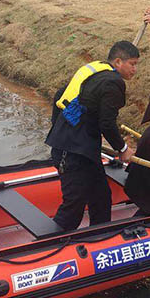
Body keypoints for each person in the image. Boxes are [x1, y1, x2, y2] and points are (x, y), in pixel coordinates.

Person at [44, 41, 139, 231]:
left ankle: (101, 235)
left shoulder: (95, 71)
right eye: (133, 64)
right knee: (74, 206)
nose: (135, 70)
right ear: (118, 61)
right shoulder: (113, 82)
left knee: (101, 195)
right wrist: (123, 149)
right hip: (71, 151)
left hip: (84, 148)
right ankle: (49, 248)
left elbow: (59, 96)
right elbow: (107, 123)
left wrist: (59, 128)